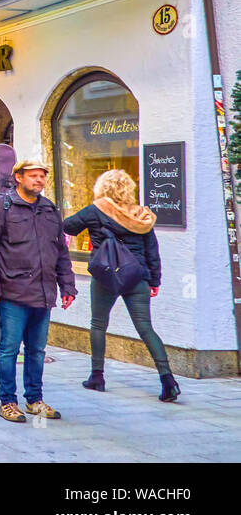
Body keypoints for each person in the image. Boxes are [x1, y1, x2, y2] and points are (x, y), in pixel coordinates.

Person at [0, 158, 76, 423]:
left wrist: (67, 285)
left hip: (43, 294)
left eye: (42, 176)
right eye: (33, 175)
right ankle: (8, 401)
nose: (39, 180)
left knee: (37, 350)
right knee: (9, 349)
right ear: (18, 177)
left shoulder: (50, 210)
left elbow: (60, 251)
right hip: (12, 292)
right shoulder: (1, 206)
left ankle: (34, 400)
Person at [64, 169, 178, 402]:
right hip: (137, 277)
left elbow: (68, 226)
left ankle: (97, 376)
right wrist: (154, 280)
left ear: (101, 188)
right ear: (129, 189)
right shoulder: (141, 216)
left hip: (106, 276)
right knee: (146, 328)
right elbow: (152, 251)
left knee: (98, 324)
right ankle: (168, 380)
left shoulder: (96, 210)